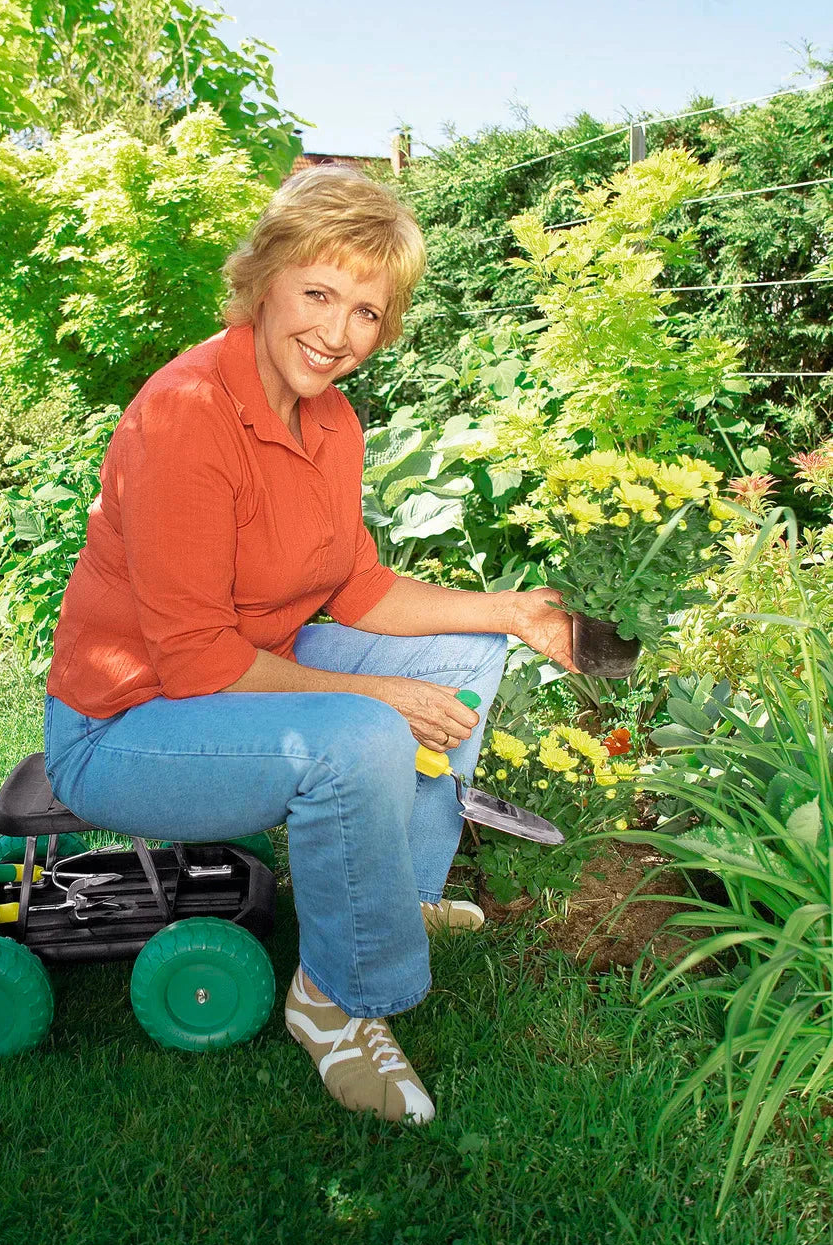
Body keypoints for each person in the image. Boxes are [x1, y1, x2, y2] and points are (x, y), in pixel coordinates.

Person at [43, 165, 575, 1124]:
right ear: (263, 280)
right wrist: (370, 702)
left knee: (462, 659)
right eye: (319, 294)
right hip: (125, 725)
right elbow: (197, 659)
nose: (338, 335)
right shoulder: (186, 417)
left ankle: (392, 900)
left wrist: (509, 612)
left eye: (367, 312)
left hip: (233, 680)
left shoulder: (330, 420)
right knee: (362, 736)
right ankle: (335, 1002)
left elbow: (357, 586)